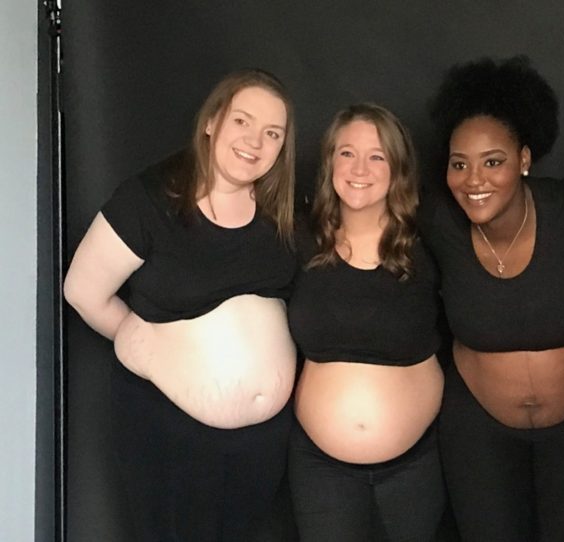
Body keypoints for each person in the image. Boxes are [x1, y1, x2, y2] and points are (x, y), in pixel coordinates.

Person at [63, 68, 298, 540]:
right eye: (242, 121)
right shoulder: (150, 199)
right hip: (169, 432)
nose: (255, 141)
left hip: (262, 445)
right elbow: (83, 291)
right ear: (211, 121)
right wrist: (150, 346)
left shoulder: (282, 210)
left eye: (272, 133)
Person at [423, 56, 564, 541]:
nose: (474, 180)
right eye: (460, 164)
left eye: (493, 161)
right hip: (477, 429)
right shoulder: (435, 220)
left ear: (525, 160)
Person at [287, 103, 446, 541]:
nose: (360, 168)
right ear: (329, 162)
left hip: (416, 464)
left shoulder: (429, 237)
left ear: (398, 167)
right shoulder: (301, 239)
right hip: (320, 468)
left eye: (377, 156)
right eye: (346, 153)